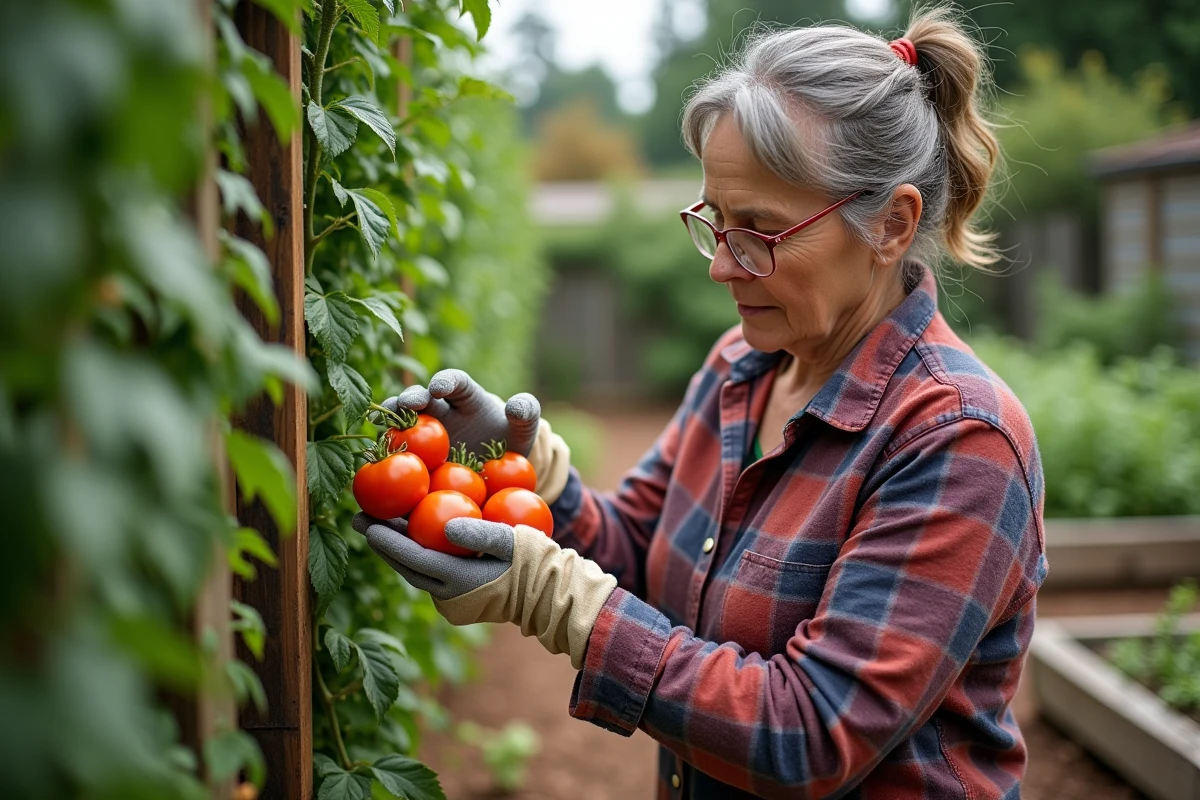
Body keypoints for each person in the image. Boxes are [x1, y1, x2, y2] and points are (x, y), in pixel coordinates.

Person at [353, 6, 1047, 798]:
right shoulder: (739, 369)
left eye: (759, 231)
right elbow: (639, 551)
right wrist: (530, 476)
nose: (721, 266)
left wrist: (555, 599)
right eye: (715, 221)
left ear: (891, 223)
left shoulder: (959, 440)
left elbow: (809, 734)